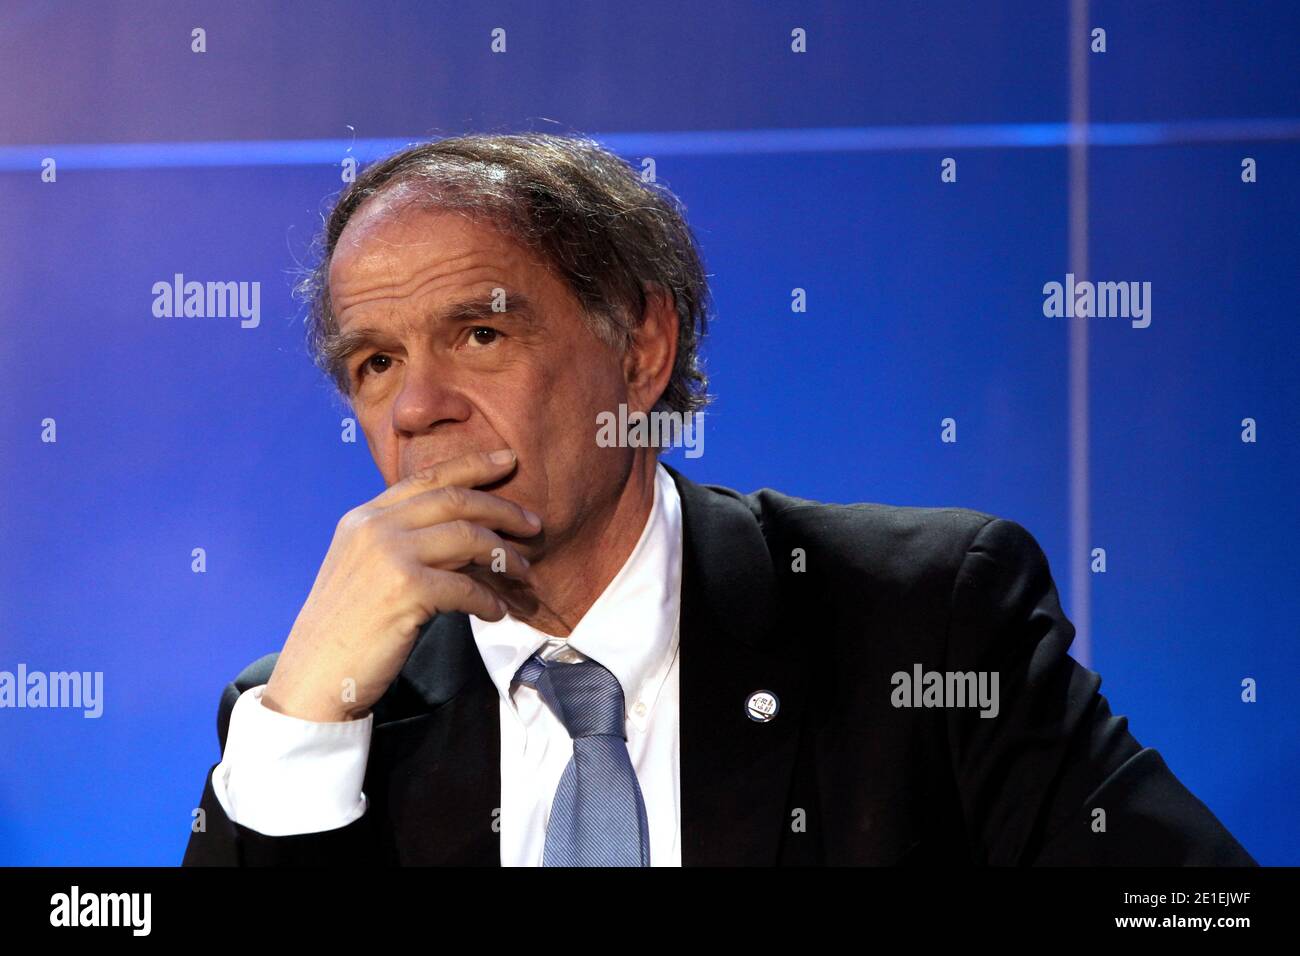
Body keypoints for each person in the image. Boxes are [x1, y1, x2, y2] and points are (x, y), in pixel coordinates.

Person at [182, 133, 1255, 866]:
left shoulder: (921, 614)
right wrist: (302, 725)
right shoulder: (310, 716)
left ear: (641, 348)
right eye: (373, 362)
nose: (417, 405)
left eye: (480, 333)